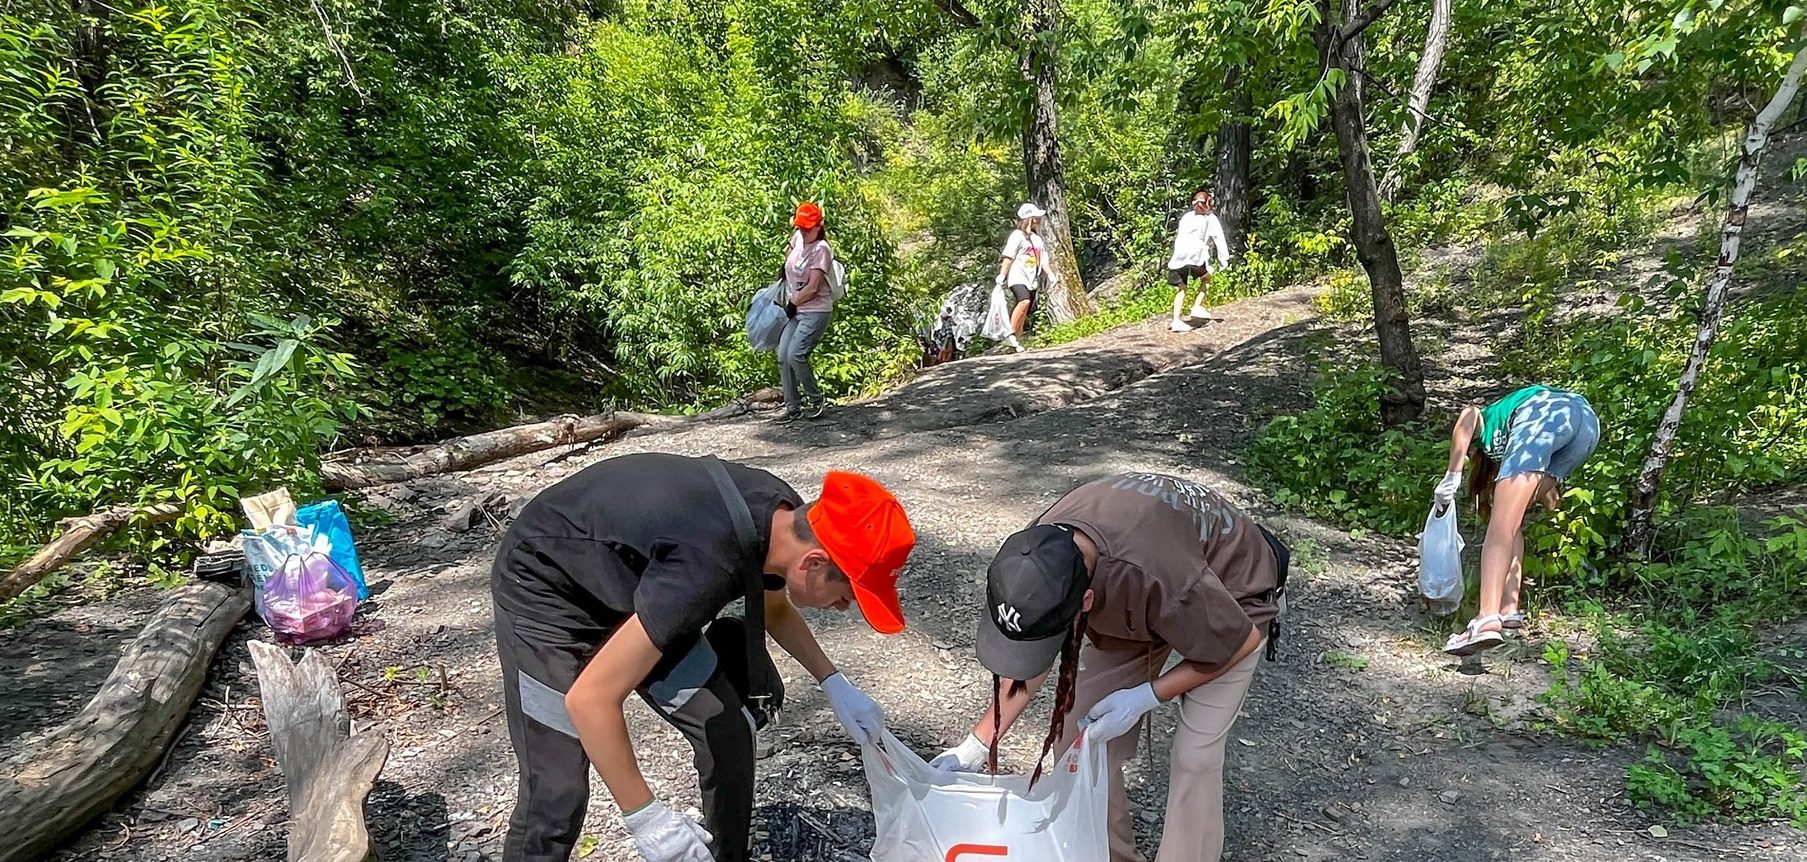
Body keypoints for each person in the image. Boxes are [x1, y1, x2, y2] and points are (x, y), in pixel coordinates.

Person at [491, 453, 916, 862]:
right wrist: (646, 817)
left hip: (644, 585)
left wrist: (833, 682)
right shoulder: (708, 565)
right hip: (548, 595)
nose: (845, 607)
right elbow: (591, 699)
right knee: (557, 789)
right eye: (848, 594)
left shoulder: (783, 520)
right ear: (815, 561)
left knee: (728, 730)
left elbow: (774, 605)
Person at [930, 472, 1288, 862]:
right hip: (1146, 595)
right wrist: (978, 744)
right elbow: (1035, 652)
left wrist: (1147, 696)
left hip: (1232, 604)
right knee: (1079, 735)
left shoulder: (1157, 576)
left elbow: (1241, 641)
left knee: (1194, 757)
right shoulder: (1037, 554)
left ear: (1085, 603)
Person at [1436, 385, 1601, 655]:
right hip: (1586, 422)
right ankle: (1509, 611)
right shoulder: (1510, 442)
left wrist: (1452, 475)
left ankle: (1486, 619)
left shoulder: (1487, 424)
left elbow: (1467, 415)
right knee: (1511, 524)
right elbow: (1551, 501)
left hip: (1544, 413)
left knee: (1500, 527)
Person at [778, 202, 836, 422]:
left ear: (819, 226)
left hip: (815, 310)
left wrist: (794, 302)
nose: (803, 231)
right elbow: (789, 260)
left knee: (796, 354)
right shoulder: (797, 238)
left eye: (808, 228)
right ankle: (792, 408)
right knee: (783, 356)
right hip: (795, 307)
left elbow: (813, 287)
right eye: (800, 227)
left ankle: (816, 399)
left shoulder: (822, 249)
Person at [1165, 188, 1230, 333]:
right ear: (1208, 203)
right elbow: (1219, 238)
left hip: (1179, 255)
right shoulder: (1210, 218)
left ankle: (1176, 320)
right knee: (1206, 278)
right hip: (1196, 254)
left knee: (1182, 288)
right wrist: (1223, 259)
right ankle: (1196, 306)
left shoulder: (1187, 217)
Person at [993, 202, 1050, 353]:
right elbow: (1009, 257)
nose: (1039, 219)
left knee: (1024, 309)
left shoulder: (1037, 239)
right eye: (1037, 217)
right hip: (1017, 277)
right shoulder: (1017, 236)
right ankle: (1010, 333)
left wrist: (1050, 274)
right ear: (1030, 219)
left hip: (1031, 279)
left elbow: (1043, 259)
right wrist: (1002, 275)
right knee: (1024, 301)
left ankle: (1016, 341)